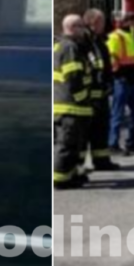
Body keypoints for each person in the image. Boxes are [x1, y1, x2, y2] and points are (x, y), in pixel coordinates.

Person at [53, 14, 93, 189]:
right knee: (67, 146)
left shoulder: (63, 45)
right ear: (73, 28)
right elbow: (73, 78)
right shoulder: (70, 48)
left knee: (72, 146)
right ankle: (61, 180)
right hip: (71, 107)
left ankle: (69, 176)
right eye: (81, 27)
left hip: (69, 106)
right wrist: (84, 97)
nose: (84, 30)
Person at [82, 9, 120, 171]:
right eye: (102, 22)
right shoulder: (84, 42)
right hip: (89, 97)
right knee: (85, 132)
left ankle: (102, 160)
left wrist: (109, 83)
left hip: (101, 95)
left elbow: (104, 66)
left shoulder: (98, 41)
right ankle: (79, 165)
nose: (105, 25)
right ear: (94, 23)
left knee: (100, 130)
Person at [107, 12, 134, 155]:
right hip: (122, 80)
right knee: (118, 113)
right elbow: (111, 57)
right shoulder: (116, 36)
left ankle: (132, 142)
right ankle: (112, 144)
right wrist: (116, 74)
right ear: (128, 22)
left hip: (133, 80)